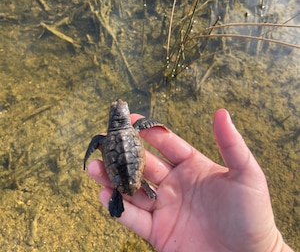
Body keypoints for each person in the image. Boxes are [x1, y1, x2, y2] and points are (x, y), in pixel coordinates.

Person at [87, 108, 294, 252]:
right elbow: (144, 124)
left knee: (106, 171)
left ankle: (122, 192)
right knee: (135, 178)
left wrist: (270, 248)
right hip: (136, 172)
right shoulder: (136, 127)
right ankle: (141, 185)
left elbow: (96, 141)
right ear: (124, 117)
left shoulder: (103, 139)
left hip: (117, 173)